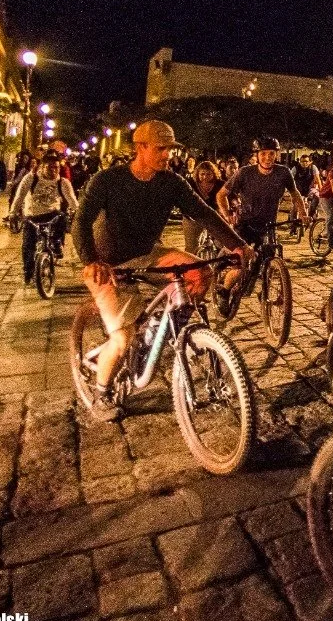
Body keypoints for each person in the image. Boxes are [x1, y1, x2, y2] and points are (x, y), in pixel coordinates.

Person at [73, 121, 252, 420]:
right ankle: (101, 393)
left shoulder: (171, 182)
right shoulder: (107, 180)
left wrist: (237, 246)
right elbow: (81, 221)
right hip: (110, 265)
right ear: (140, 147)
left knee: (198, 272)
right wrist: (91, 260)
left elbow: (204, 214)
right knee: (122, 339)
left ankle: (162, 327)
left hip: (148, 254)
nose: (167, 154)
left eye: (170, 148)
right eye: (161, 148)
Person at [217, 137, 310, 248]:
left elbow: (295, 193)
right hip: (245, 225)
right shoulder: (244, 172)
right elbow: (221, 194)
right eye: (263, 154)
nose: (267, 158)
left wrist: (303, 213)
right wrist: (227, 214)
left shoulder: (284, 172)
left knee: (270, 256)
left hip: (269, 226)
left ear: (277, 154)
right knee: (239, 257)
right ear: (257, 155)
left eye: (271, 153)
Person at [9, 153, 79, 292]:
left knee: (62, 217)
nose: (54, 170)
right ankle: (28, 272)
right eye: (50, 167)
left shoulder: (63, 182)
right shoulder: (31, 178)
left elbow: (72, 201)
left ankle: (57, 242)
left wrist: (79, 213)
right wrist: (13, 213)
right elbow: (19, 196)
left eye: (56, 167)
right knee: (28, 246)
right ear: (42, 167)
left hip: (52, 214)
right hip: (32, 216)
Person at [182, 160, 225, 254]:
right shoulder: (190, 184)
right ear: (197, 174)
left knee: (222, 245)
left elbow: (229, 195)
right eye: (202, 174)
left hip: (214, 216)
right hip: (192, 218)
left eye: (208, 174)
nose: (205, 177)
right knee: (191, 248)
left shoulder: (220, 184)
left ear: (214, 174)